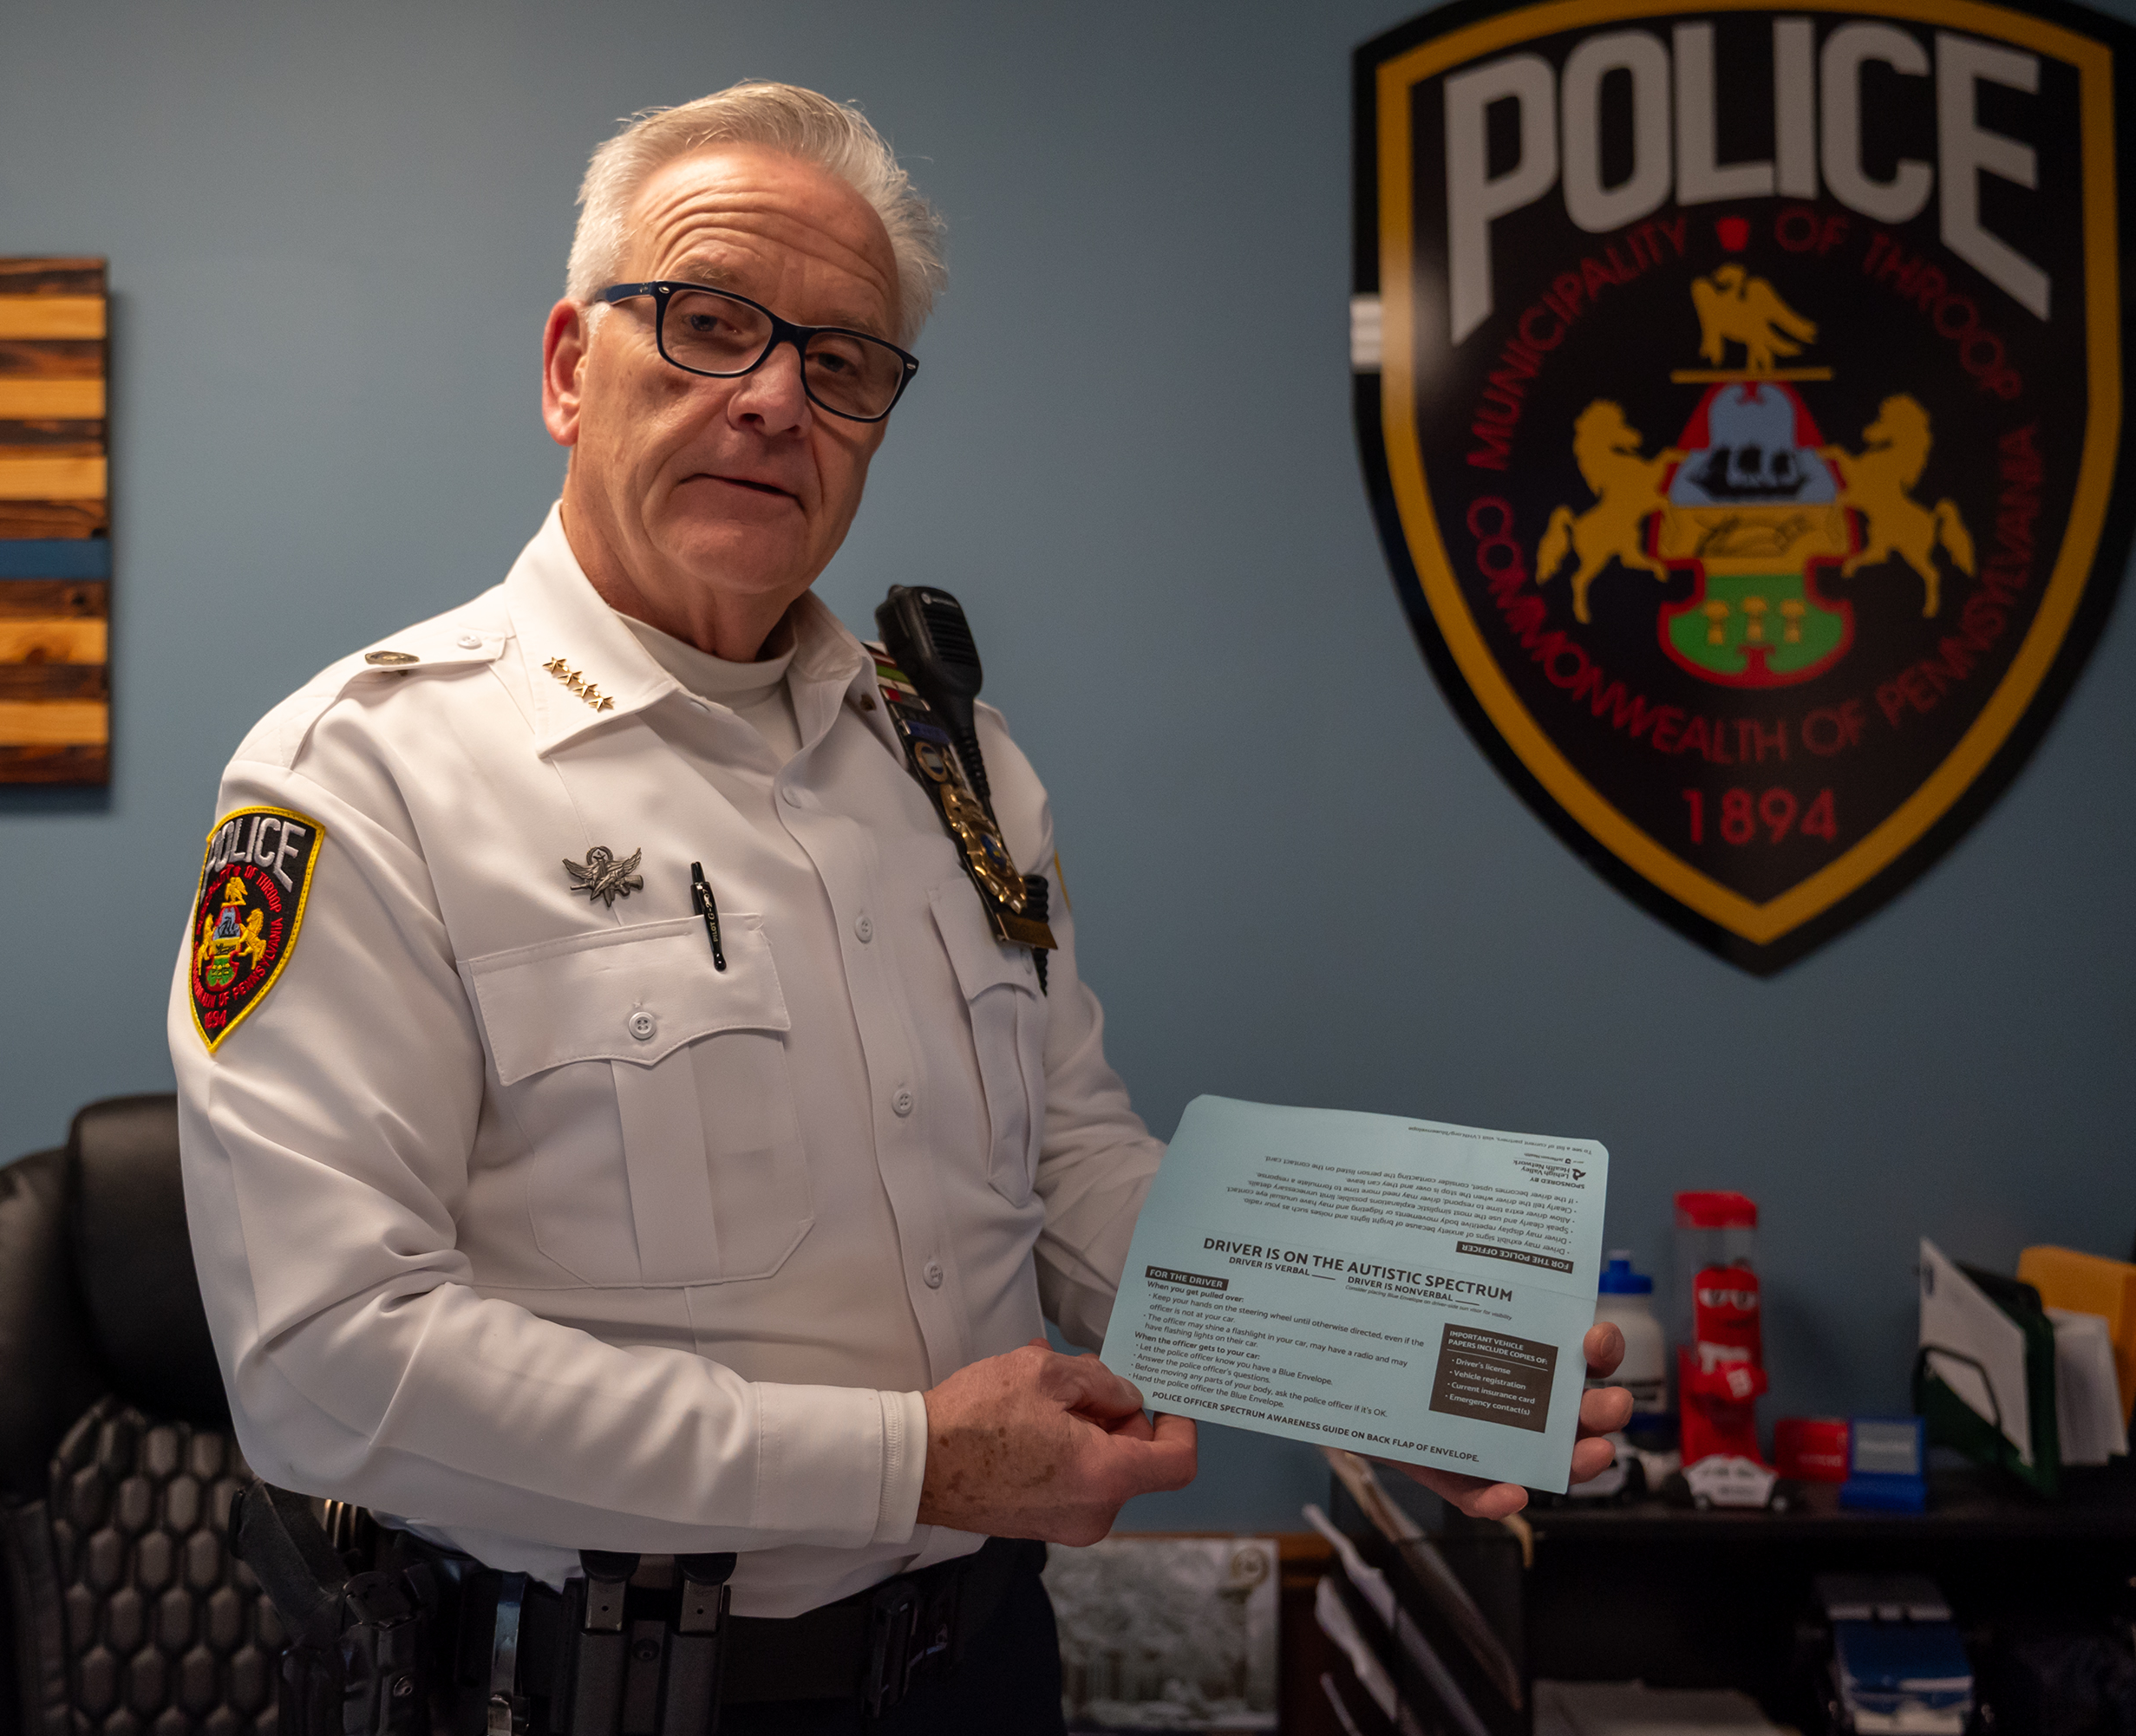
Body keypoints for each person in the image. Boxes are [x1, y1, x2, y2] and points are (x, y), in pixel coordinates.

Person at [170, 81, 1630, 1733]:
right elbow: (325, 1362)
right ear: (573, 367)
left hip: (979, 1670)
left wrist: (1368, 1351)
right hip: (582, 1692)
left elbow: (1065, 1160)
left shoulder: (956, 761)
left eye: (842, 361)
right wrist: (913, 1462)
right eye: (710, 323)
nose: (777, 397)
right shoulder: (367, 774)